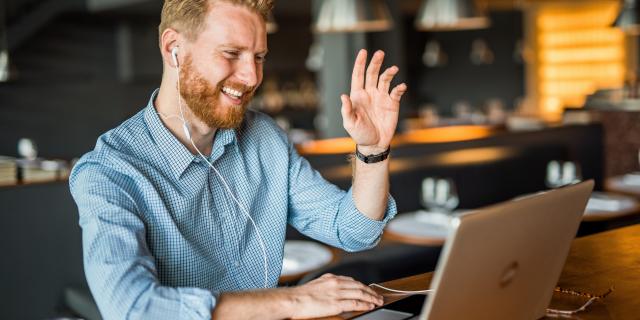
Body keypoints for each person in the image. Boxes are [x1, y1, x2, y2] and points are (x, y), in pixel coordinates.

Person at [69, 0, 408, 319]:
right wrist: (294, 299)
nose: (251, 77)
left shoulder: (266, 139)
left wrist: (373, 150)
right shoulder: (109, 172)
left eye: (259, 57)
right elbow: (132, 308)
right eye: (232, 54)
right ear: (173, 48)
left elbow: (355, 231)